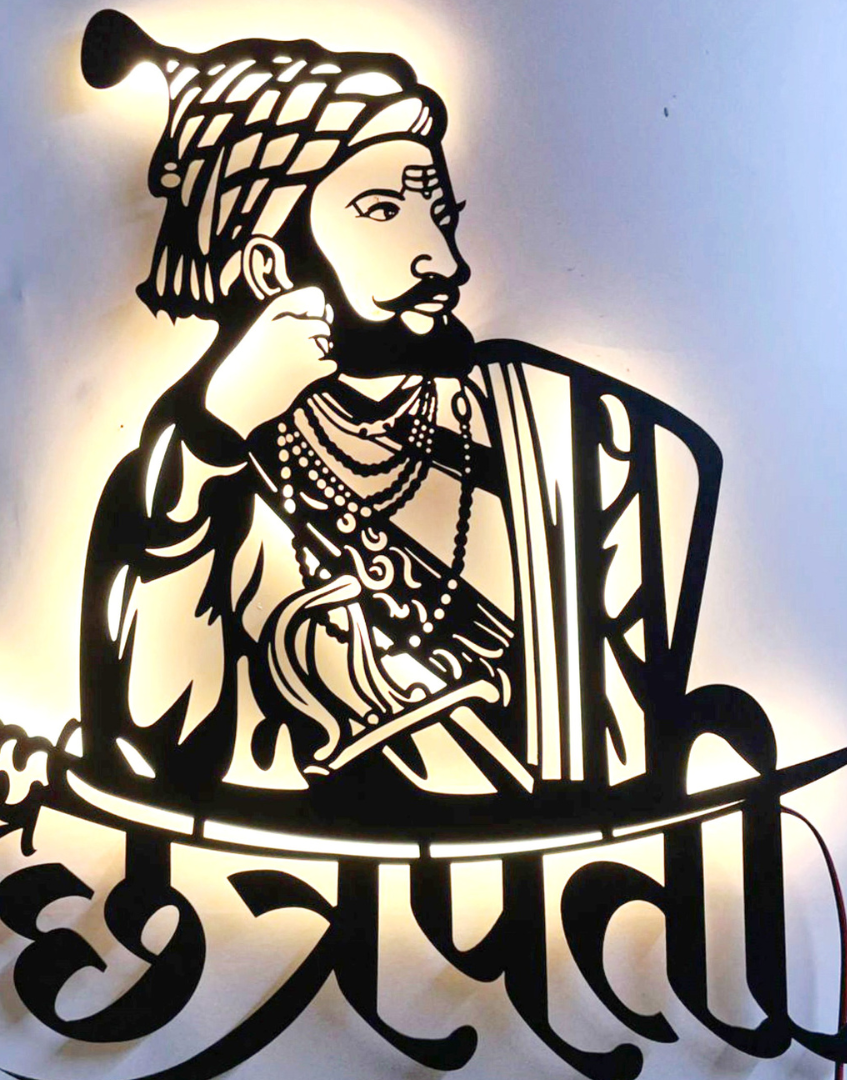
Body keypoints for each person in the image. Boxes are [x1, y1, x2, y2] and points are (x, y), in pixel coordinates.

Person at [72, 14, 716, 835]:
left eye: (439, 214)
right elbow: (154, 757)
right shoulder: (193, 489)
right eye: (383, 211)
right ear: (271, 267)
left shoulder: (561, 436)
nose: (445, 262)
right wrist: (213, 435)